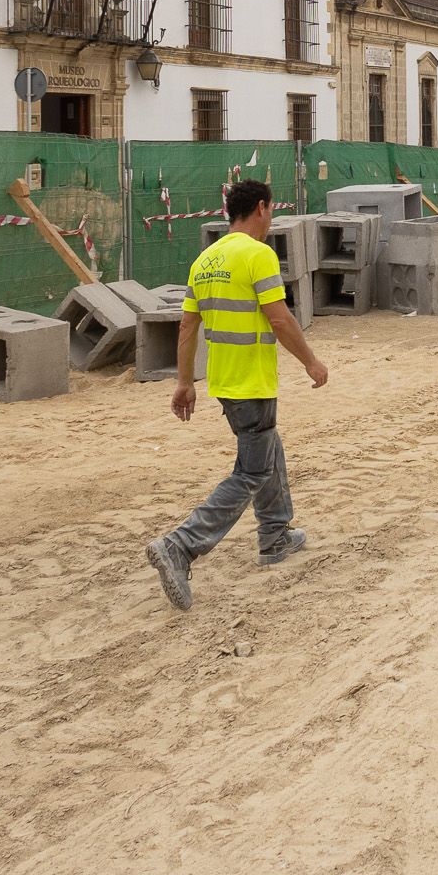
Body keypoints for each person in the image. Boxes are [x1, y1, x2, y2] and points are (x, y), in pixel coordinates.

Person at [145, 180, 330, 611]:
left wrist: (185, 382)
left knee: (267, 450)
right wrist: (311, 361)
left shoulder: (204, 260)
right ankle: (181, 544)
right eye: (272, 211)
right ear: (262, 208)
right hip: (253, 381)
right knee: (251, 469)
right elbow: (279, 318)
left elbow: (187, 326)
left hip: (224, 384)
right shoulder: (258, 254)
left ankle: (275, 535)